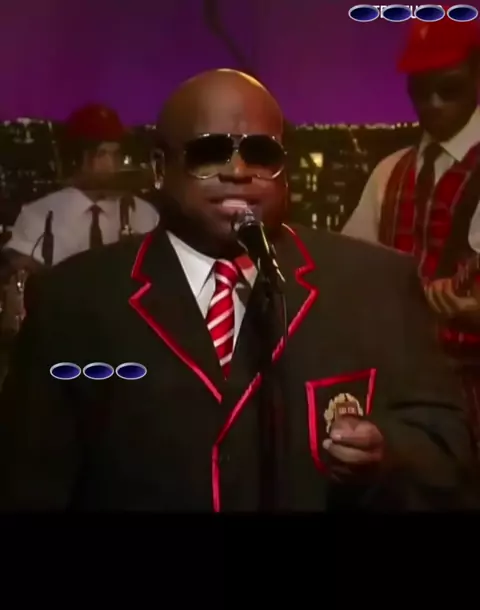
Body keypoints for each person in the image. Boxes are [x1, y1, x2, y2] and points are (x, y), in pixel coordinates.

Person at [0, 69, 476, 512]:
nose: (238, 171)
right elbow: (31, 480)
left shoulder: (374, 282)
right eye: (210, 153)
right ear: (161, 168)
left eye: (261, 154)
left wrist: (386, 449)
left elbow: (446, 443)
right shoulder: (73, 300)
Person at [343, 17, 480, 444]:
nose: (433, 103)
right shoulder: (390, 172)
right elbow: (347, 272)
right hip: (400, 399)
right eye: (421, 90)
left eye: (449, 88)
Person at [4, 103, 159, 267]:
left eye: (116, 154)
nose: (111, 164)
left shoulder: (144, 215)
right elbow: (21, 272)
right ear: (75, 158)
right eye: (101, 154)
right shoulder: (38, 216)